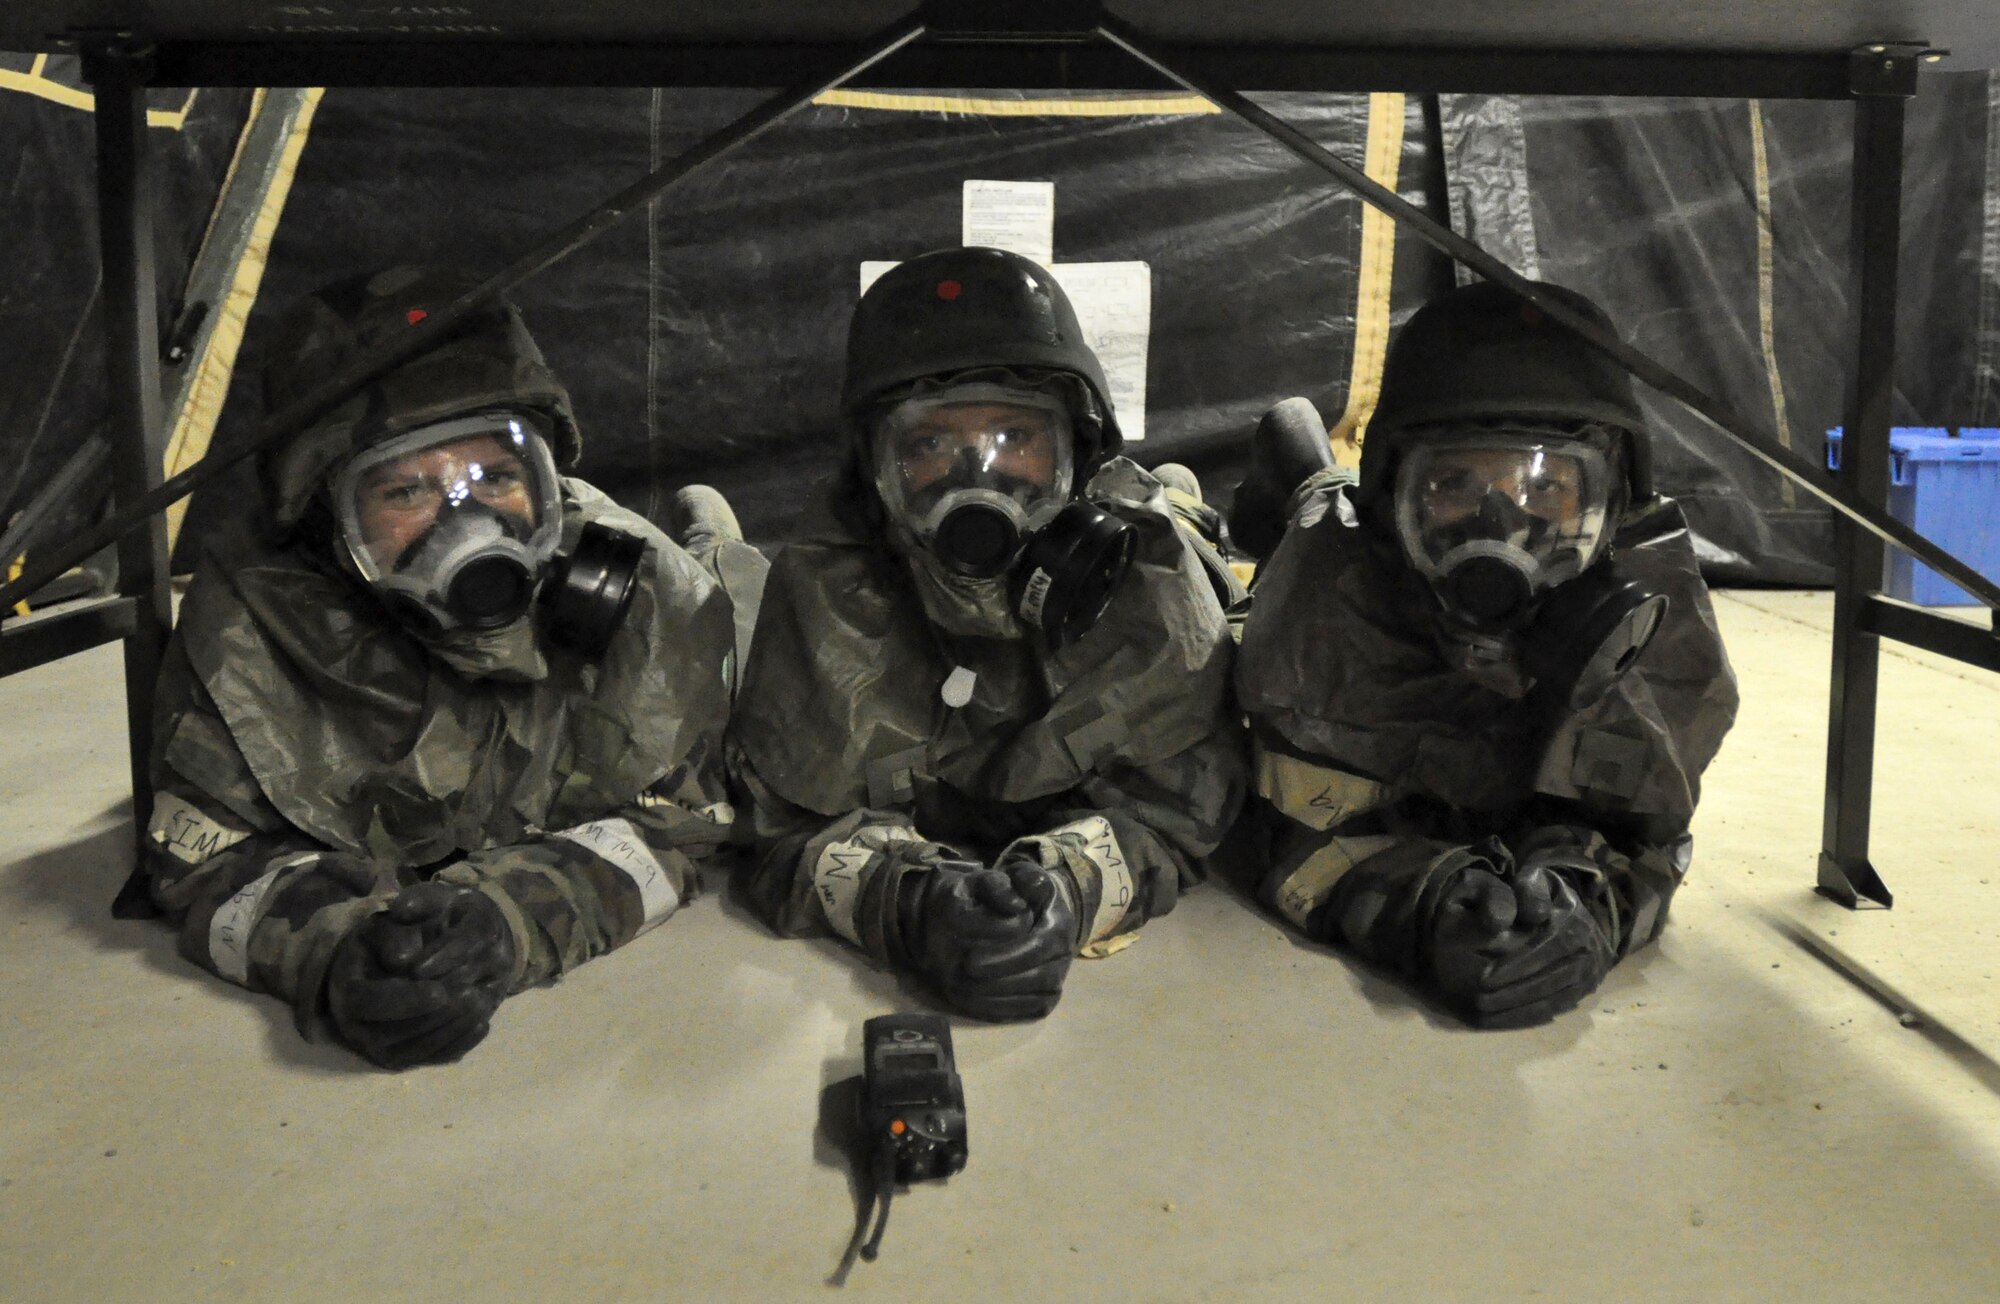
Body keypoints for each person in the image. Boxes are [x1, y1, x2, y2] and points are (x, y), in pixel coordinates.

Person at [137, 267, 748, 1068]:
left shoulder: (646, 587)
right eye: (407, 491)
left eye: (497, 476)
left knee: (738, 598)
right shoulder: (254, 621)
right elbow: (202, 860)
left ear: (548, 480)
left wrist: (511, 919)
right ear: (329, 521)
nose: (468, 520)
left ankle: (717, 535)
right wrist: (339, 951)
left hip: (726, 591)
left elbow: (685, 824)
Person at [727, 246, 1247, 1021]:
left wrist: (1067, 888)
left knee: (1192, 535)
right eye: (930, 444)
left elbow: (1175, 813)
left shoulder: (1150, 580)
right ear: (876, 474)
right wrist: (912, 904)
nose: (978, 476)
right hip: (790, 587)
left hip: (1162, 537)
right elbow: (785, 826)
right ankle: (715, 532)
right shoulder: (828, 579)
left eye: (1015, 437)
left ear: (1077, 455)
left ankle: (1208, 486)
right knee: (731, 588)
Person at [1232, 280, 1739, 1028]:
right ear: (1393, 501)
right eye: (1453, 485)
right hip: (1329, 531)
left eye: (1549, 489)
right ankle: (1304, 472)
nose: (1502, 527)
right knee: (1312, 510)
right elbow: (1297, 836)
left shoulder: (1651, 614)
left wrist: (1582, 913)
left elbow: (1648, 834)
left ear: (1613, 512)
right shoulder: (1327, 597)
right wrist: (1425, 904)